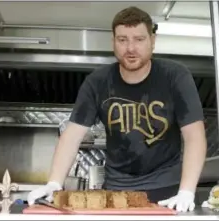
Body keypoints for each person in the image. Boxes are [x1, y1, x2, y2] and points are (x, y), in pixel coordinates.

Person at [27, 6, 207, 212]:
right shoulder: (97, 82)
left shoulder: (175, 76)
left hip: (168, 189)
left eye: (139, 39)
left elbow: (194, 136)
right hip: (117, 191)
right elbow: (72, 136)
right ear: (113, 42)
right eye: (122, 40)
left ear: (153, 41)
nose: (130, 48)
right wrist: (54, 183)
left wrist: (186, 191)